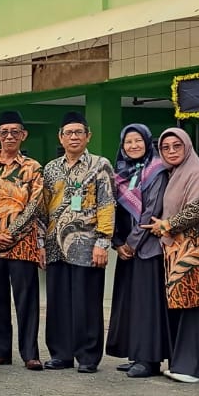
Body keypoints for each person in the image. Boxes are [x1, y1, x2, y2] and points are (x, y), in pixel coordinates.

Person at [39, 112, 115, 373]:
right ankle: (61, 354)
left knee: (87, 303)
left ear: (88, 136)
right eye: (68, 133)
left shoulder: (100, 165)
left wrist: (103, 242)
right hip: (55, 246)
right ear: (60, 137)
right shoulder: (50, 168)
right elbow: (43, 209)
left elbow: (107, 205)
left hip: (86, 245)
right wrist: (41, 243)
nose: (74, 137)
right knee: (58, 302)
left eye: (78, 132)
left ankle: (87, 356)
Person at [143, 128, 199, 384]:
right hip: (178, 251)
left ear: (188, 147)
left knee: (197, 307)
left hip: (196, 251)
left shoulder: (197, 173)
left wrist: (166, 225)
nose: (172, 151)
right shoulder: (173, 174)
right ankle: (183, 363)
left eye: (177, 146)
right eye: (166, 148)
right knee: (184, 306)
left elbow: (197, 210)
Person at [0, 110, 45, 370]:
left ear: (23, 135)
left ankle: (30, 354)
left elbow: (34, 204)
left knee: (26, 300)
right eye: (4, 132)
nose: (10, 136)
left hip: (22, 242)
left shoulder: (33, 168)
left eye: (15, 132)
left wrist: (10, 232)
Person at [105, 125, 170, 379]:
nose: (133, 146)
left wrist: (131, 243)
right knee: (130, 304)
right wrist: (117, 242)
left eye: (137, 141)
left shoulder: (157, 171)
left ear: (147, 142)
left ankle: (149, 359)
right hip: (126, 250)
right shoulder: (121, 172)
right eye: (128, 142)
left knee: (147, 306)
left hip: (147, 249)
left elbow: (151, 209)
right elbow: (113, 211)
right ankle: (135, 352)